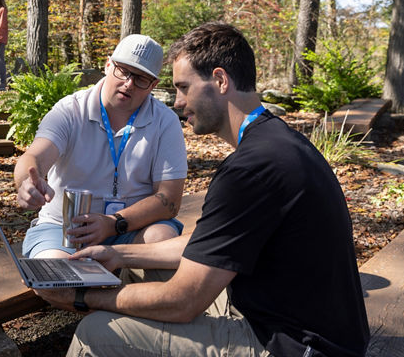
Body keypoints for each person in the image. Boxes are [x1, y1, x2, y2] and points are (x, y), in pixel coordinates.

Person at [34, 22, 370, 357]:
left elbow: (184, 301)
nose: (178, 102)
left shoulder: (250, 169)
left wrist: (80, 297)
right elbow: (205, 246)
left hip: (294, 344)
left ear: (221, 81)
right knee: (147, 270)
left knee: (96, 333)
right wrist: (119, 254)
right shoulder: (278, 143)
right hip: (306, 324)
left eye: (183, 87)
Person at [14, 34, 187, 259]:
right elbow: (34, 157)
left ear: (153, 85)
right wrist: (26, 183)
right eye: (123, 71)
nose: (129, 84)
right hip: (64, 229)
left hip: (132, 228)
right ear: (108, 65)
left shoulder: (165, 122)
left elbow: (170, 199)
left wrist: (113, 223)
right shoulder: (70, 110)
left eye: (141, 79)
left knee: (161, 237)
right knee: (55, 269)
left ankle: (129, 289)